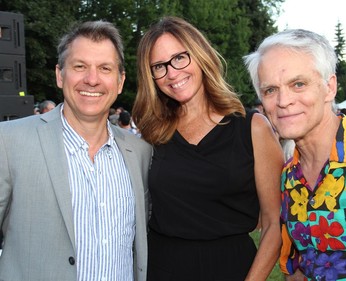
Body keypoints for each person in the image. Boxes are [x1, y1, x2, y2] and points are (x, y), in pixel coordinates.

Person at [132, 16, 284, 281]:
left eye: (180, 58)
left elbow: (274, 222)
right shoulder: (152, 133)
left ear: (200, 55)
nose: (172, 73)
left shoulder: (252, 128)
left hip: (233, 269)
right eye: (159, 66)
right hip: (164, 269)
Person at [0, 20, 152, 281]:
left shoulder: (141, 152)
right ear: (60, 75)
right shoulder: (8, 141)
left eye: (105, 68)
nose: (92, 80)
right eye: (80, 66)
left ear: (120, 81)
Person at [244, 29, 346, 281]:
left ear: (329, 87)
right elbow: (298, 268)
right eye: (270, 90)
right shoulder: (289, 179)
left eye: (298, 84)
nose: (283, 101)